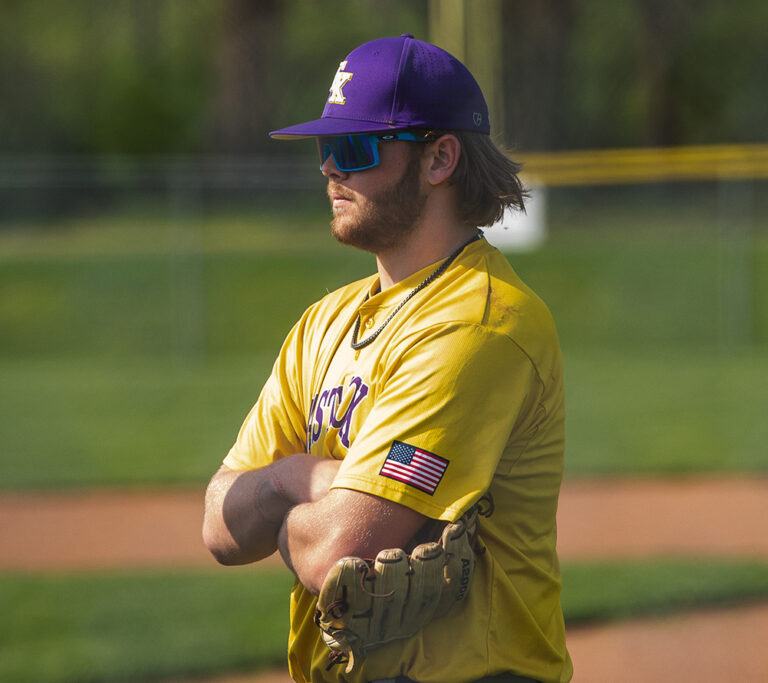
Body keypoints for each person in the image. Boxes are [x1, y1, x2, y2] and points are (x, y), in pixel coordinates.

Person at [201, 34, 572, 683]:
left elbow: (339, 550)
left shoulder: (481, 322)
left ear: (439, 159)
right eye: (325, 148)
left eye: (353, 147)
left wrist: (286, 513)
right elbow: (219, 524)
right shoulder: (325, 323)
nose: (329, 170)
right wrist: (299, 477)